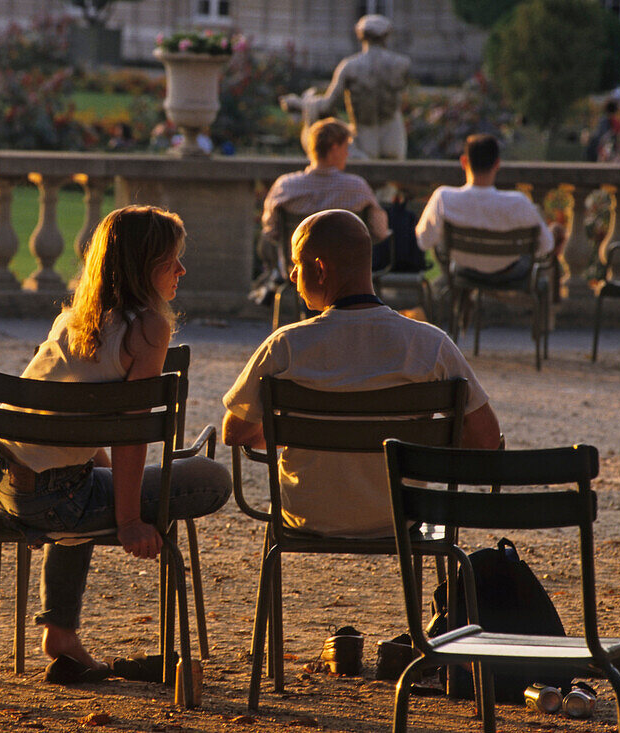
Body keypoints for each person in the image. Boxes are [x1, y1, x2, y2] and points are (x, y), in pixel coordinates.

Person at [0, 205, 232, 678]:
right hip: (63, 502)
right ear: (144, 268)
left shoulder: (71, 321)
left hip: (8, 490)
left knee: (90, 474)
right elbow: (132, 435)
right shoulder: (148, 327)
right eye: (172, 261)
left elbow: (68, 427)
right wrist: (128, 521)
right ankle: (63, 630)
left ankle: (60, 633)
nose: (182, 271)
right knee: (212, 477)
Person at [223, 209, 500, 538]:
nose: (294, 277)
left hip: (306, 514)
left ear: (321, 269)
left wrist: (305, 429)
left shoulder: (285, 345)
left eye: (298, 265)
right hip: (401, 516)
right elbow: (486, 440)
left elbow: (235, 432)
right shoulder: (430, 344)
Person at [253, 118, 390, 306]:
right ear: (334, 148)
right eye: (345, 147)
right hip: (350, 273)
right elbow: (380, 230)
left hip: (299, 270)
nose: (347, 154)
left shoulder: (285, 186)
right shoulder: (356, 187)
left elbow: (270, 230)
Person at [416, 134, 565, 285]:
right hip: (511, 274)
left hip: (465, 272)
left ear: (464, 161)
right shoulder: (519, 203)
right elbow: (546, 246)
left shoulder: (444, 198)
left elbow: (424, 241)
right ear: (497, 164)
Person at [284, 14, 410, 160]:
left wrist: (299, 104)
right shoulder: (402, 64)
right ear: (387, 35)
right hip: (393, 138)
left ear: (360, 35)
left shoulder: (350, 66)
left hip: (365, 139)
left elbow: (326, 106)